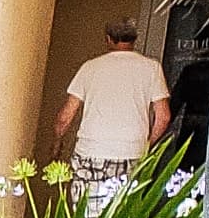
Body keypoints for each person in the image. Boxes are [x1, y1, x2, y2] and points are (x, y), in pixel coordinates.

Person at [57, 18, 173, 197]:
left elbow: (65, 117)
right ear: (135, 39)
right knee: (120, 214)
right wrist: (146, 146)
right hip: (131, 153)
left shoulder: (90, 68)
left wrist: (58, 141)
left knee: (87, 213)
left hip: (91, 151)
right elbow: (163, 117)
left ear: (108, 39)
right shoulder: (151, 68)